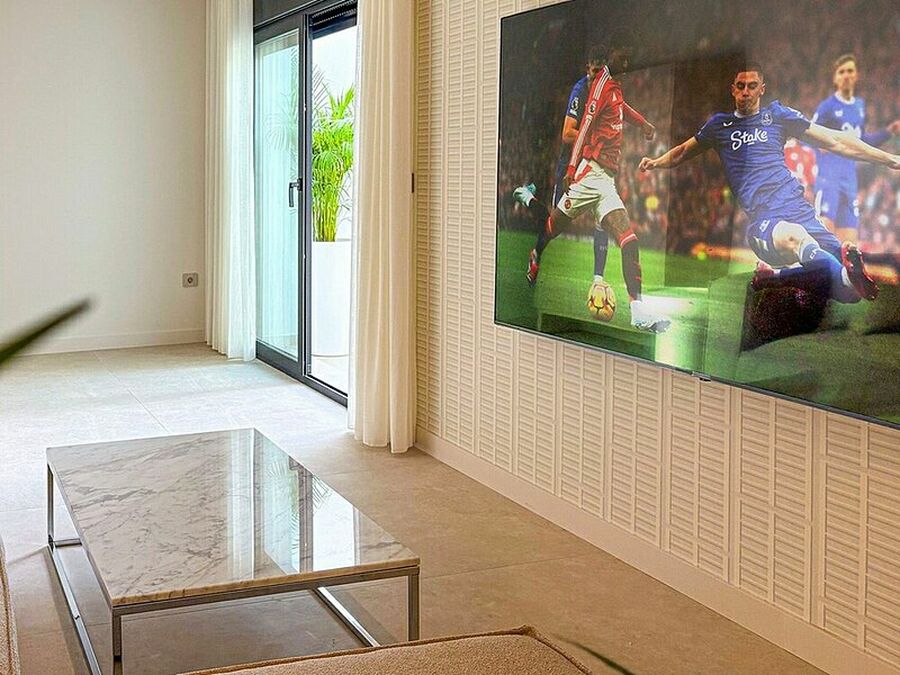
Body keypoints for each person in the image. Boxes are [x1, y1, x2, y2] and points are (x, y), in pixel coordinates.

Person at [638, 64, 900, 304]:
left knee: (850, 294)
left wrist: (889, 159)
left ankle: (775, 277)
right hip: (765, 222)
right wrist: (656, 162)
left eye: (752, 86)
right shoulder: (720, 126)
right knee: (798, 238)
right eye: (740, 86)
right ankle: (837, 274)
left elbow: (836, 140)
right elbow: (683, 151)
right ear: (733, 89)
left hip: (801, 212)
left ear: (761, 89)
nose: (746, 91)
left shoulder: (777, 116)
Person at [514, 42, 669, 333]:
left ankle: (637, 312)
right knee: (553, 225)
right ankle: (535, 250)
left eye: (629, 59)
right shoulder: (594, 87)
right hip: (586, 172)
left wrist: (644, 124)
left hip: (606, 180)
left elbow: (620, 108)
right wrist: (573, 167)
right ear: (607, 61)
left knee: (629, 241)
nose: (628, 64)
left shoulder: (614, 86)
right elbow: (580, 128)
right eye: (622, 58)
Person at [811, 53, 900, 243]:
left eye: (850, 71)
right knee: (825, 235)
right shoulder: (827, 107)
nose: (846, 75)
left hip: (850, 180)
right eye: (841, 72)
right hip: (829, 177)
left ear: (856, 75)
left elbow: (860, 142)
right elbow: (807, 134)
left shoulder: (859, 106)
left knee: (850, 244)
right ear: (835, 78)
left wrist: (888, 132)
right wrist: (818, 145)